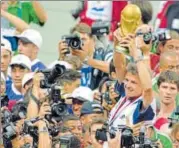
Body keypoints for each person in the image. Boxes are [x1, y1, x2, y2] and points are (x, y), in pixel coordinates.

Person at [59, 23, 113, 90]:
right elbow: (59, 84)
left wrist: (86, 59)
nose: (80, 43)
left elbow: (114, 69)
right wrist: (61, 59)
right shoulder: (68, 58)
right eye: (77, 39)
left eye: (83, 39)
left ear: (93, 41)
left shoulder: (101, 55)